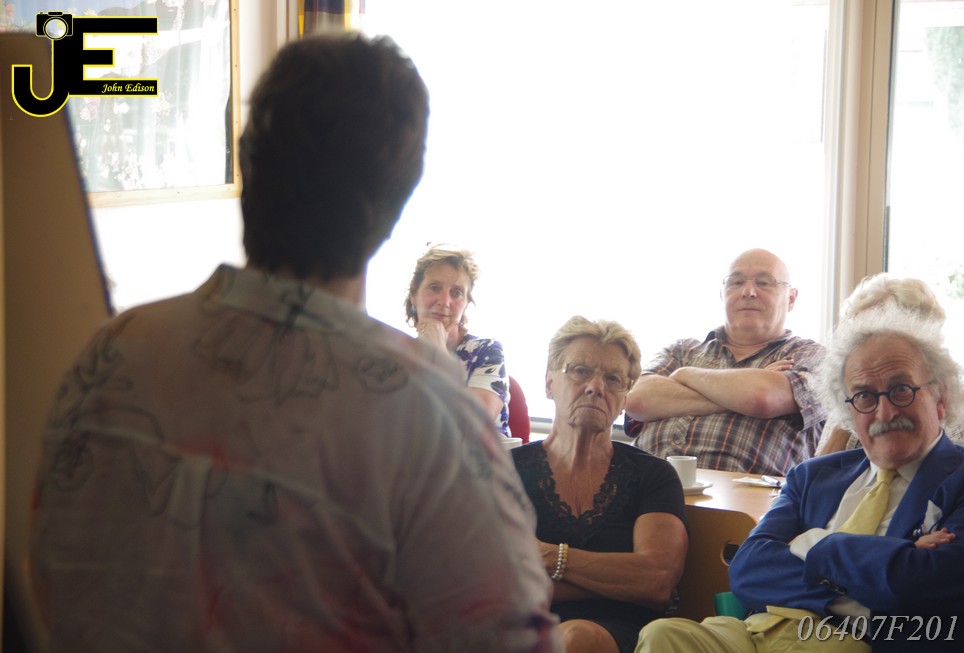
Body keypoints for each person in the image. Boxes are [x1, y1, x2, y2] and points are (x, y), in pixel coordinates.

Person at [30, 32, 560, 652]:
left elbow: (47, 573)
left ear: (246, 157)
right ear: (396, 200)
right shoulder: (428, 415)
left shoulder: (113, 350)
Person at [635, 306, 964, 652]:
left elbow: (926, 586)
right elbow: (748, 570)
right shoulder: (813, 475)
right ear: (849, 411)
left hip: (853, 643)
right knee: (664, 636)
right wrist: (886, 564)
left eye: (901, 389)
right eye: (864, 396)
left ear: (940, 397)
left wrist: (813, 544)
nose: (885, 411)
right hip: (759, 631)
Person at [511, 316, 688, 653]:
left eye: (613, 379)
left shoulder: (653, 475)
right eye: (579, 371)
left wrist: (549, 556)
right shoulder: (501, 471)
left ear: (624, 397)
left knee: (574, 638)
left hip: (620, 633)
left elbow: (657, 581)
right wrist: (617, 579)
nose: (596, 387)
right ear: (549, 382)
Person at [624, 248, 825, 476]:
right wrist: (741, 393)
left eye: (764, 283)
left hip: (747, 495)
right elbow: (636, 400)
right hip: (645, 489)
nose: (748, 292)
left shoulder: (809, 355)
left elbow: (761, 398)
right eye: (736, 282)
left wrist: (685, 376)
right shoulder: (681, 350)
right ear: (723, 294)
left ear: (791, 298)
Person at [815, 273, 964, 456]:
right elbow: (821, 469)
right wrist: (849, 419)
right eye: (857, 334)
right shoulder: (853, 400)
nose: (863, 346)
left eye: (878, 335)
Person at [404, 244, 511, 436]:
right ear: (413, 295)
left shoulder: (487, 351)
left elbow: (471, 425)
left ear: (466, 303)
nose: (444, 301)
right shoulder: (395, 354)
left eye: (456, 293)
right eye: (434, 288)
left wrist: (438, 355)